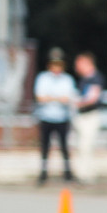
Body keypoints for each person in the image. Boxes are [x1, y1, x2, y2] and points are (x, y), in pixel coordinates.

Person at [33, 47, 79, 183]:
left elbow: (68, 98)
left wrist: (51, 98)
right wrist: (57, 98)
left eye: (59, 65)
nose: (56, 68)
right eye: (54, 64)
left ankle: (67, 171)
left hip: (62, 118)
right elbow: (40, 97)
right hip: (46, 117)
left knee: (64, 146)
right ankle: (43, 171)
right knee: (45, 146)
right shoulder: (43, 78)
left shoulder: (67, 79)